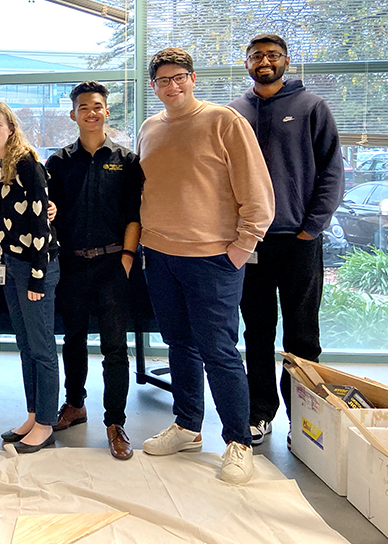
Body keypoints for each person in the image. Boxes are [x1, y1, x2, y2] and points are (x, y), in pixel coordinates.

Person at [138, 48, 274, 484]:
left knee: (219, 351)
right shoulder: (149, 127)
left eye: (179, 77)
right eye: (163, 81)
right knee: (179, 343)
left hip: (214, 259)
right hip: (159, 255)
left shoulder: (224, 122)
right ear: (154, 87)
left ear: (193, 79)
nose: (172, 86)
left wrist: (241, 247)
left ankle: (238, 441)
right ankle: (188, 426)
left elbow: (257, 193)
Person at [228, 34, 343, 446]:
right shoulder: (234, 112)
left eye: (273, 55)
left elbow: (331, 172)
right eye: (257, 56)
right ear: (246, 64)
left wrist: (312, 227)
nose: (264, 61)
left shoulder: (312, 107)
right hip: (251, 243)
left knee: (302, 334)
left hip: (298, 240)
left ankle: (304, 420)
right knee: (256, 332)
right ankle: (260, 413)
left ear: (286, 62)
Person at [46, 81, 142, 460]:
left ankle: (115, 422)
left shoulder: (126, 160)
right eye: (83, 106)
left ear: (106, 112)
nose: (91, 112)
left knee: (115, 347)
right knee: (73, 341)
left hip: (112, 264)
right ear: (73, 114)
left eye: (97, 106)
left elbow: (135, 215)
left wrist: (127, 259)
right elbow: (48, 213)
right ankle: (75, 404)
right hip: (71, 263)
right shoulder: (57, 162)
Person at [0, 101, 60, 454]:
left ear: (10, 126)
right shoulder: (1, 167)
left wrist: (38, 278)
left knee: (42, 348)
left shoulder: (26, 162)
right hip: (11, 265)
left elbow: (42, 222)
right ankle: (32, 414)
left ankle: (46, 422)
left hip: (33, 267)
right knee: (25, 345)